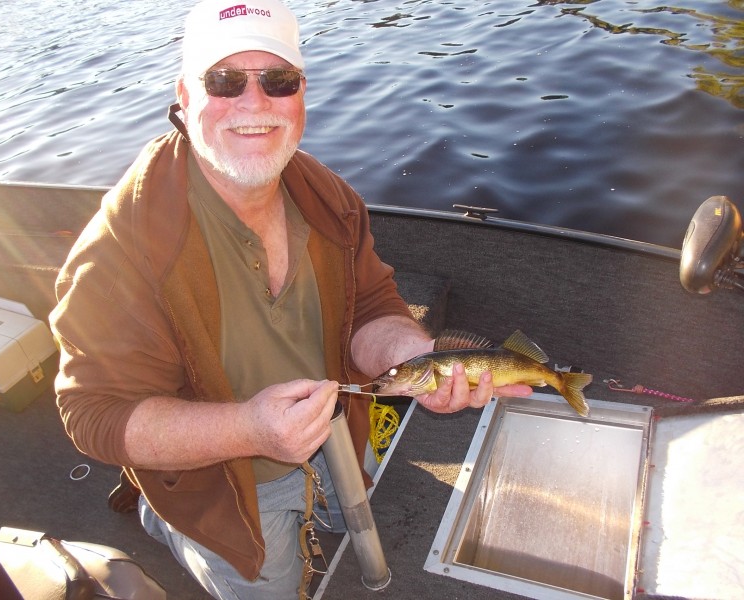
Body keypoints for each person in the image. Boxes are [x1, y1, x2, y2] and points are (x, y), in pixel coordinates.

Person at [49, 0, 531, 598]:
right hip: (224, 479)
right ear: (185, 94)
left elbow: (371, 305)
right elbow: (94, 413)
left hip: (338, 433)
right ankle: (165, 515)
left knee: (369, 506)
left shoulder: (327, 196)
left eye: (278, 80)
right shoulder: (123, 246)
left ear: (301, 93)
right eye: (224, 81)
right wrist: (250, 430)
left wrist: (415, 362)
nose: (254, 103)